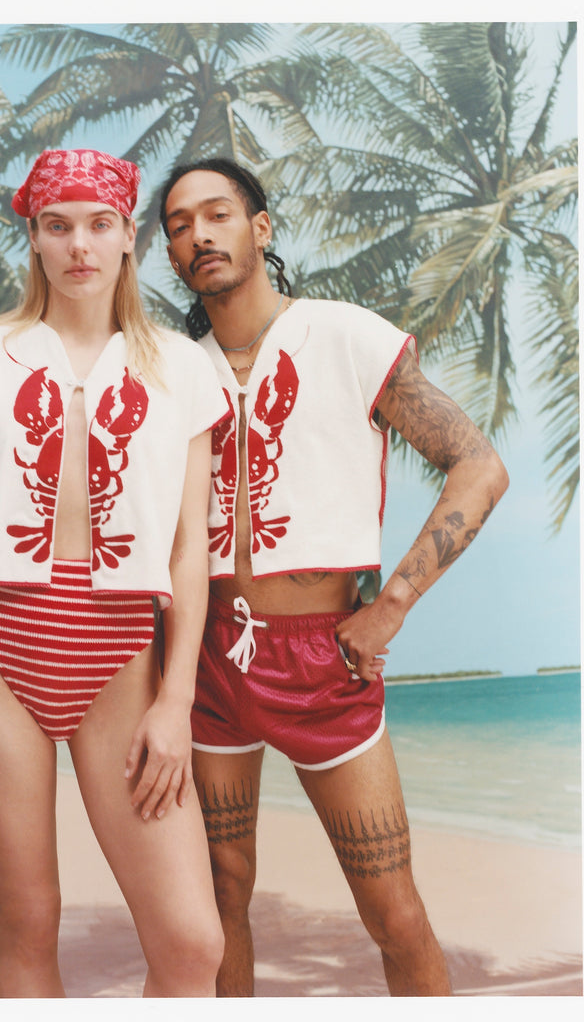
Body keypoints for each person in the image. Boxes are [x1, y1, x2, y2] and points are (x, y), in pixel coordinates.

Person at [159, 157, 510, 997]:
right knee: (217, 905)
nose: (199, 234)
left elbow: (479, 467)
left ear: (261, 228)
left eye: (217, 214)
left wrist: (390, 607)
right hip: (204, 656)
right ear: (170, 252)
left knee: (391, 912)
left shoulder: (345, 335)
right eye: (177, 225)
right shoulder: (171, 366)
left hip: (325, 657)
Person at [0, 148, 228, 998]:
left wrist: (174, 702)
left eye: (98, 226)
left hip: (123, 662)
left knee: (191, 945)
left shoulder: (182, 366)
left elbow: (187, 549)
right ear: (35, 238)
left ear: (127, 236)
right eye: (58, 227)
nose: (78, 246)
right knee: (27, 925)